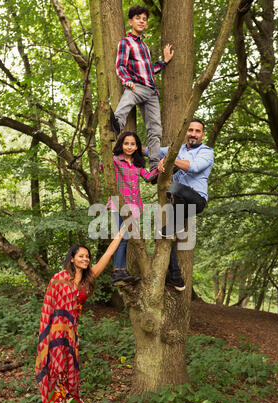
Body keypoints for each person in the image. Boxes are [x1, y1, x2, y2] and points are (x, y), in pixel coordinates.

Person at [35, 233, 127, 403]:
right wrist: (48, 335)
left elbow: (108, 254)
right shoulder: (59, 279)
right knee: (56, 370)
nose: (86, 259)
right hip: (55, 333)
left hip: (71, 333)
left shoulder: (88, 279)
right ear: (72, 259)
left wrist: (121, 231)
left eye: (87, 256)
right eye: (81, 256)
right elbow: (48, 307)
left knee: (70, 371)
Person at [145, 119, 214, 291]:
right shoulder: (179, 149)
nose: (193, 134)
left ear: (202, 135)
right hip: (177, 201)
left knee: (174, 187)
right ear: (186, 133)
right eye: (190, 130)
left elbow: (194, 167)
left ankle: (176, 226)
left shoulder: (206, 152)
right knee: (160, 235)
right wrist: (130, 147)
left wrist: (169, 159)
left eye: (197, 131)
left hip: (196, 200)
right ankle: (176, 277)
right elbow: (150, 150)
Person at [110, 4, 174, 172]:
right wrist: (127, 80)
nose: (141, 21)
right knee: (127, 98)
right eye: (138, 18)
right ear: (131, 21)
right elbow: (120, 65)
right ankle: (116, 123)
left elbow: (149, 70)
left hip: (152, 91)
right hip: (136, 87)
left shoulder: (144, 47)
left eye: (144, 19)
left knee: (155, 130)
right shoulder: (126, 42)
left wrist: (164, 62)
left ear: (146, 24)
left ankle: (154, 166)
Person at [107, 131, 163, 286]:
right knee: (121, 237)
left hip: (135, 207)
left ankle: (121, 270)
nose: (129, 147)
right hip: (119, 204)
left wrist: (158, 168)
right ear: (121, 145)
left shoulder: (138, 164)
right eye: (126, 143)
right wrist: (107, 156)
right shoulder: (115, 160)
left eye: (132, 144)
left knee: (126, 238)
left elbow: (148, 177)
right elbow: (102, 169)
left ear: (137, 146)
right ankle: (118, 271)